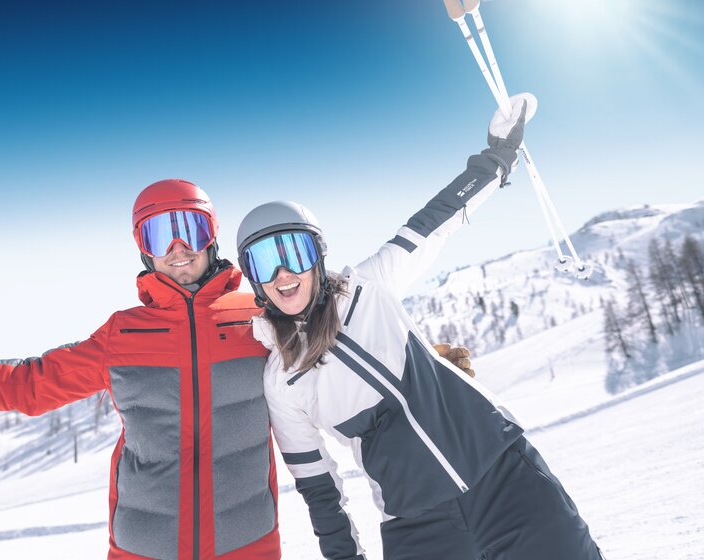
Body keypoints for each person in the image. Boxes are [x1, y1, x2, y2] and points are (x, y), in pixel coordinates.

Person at [0, 179, 474, 560]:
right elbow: (20, 386)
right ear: (143, 247)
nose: (177, 245)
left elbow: (336, 348)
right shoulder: (124, 334)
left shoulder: (259, 315)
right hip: (141, 551)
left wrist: (433, 366)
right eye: (160, 231)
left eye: (190, 227)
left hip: (249, 548)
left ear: (211, 236)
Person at [234, 94, 604, 560]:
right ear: (254, 278)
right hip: (419, 529)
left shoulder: (367, 288)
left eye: (295, 252)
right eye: (266, 261)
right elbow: (318, 486)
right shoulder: (282, 380)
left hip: (508, 482)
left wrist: (497, 156)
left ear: (318, 255)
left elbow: (437, 220)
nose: (284, 273)